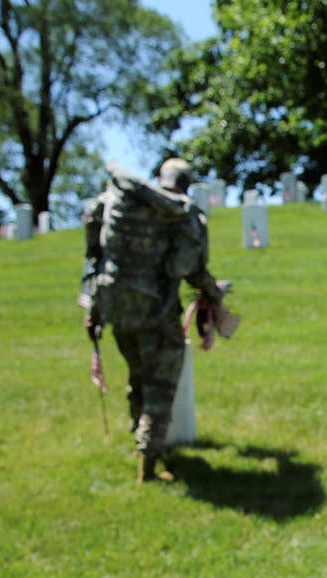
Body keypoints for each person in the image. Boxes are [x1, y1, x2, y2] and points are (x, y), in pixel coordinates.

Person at [81, 158, 225, 482]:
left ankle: (139, 442)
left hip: (116, 308)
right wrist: (213, 292)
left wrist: (93, 310)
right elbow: (187, 267)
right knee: (159, 388)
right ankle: (147, 463)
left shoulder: (116, 201)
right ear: (186, 184)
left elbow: (94, 258)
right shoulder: (181, 214)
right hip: (157, 312)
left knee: (138, 378)